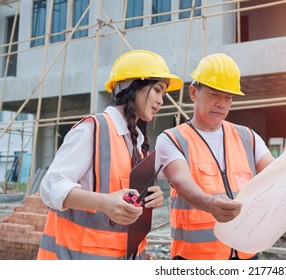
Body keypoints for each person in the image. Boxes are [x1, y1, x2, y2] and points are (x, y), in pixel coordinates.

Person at [155, 53, 286, 260]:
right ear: (193, 92)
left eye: (227, 97)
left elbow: (280, 176)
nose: (221, 104)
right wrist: (209, 204)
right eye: (213, 95)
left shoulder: (247, 137)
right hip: (196, 257)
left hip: (245, 253)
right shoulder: (172, 139)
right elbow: (181, 182)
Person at [37, 50, 183, 260]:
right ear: (132, 88)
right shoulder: (93, 129)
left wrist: (150, 199)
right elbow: (51, 187)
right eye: (157, 90)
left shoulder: (138, 142)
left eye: (164, 94)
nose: (161, 101)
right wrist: (104, 203)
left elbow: (123, 193)